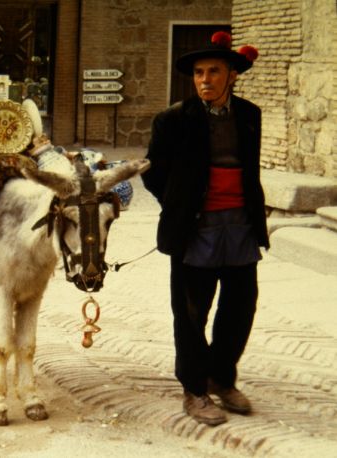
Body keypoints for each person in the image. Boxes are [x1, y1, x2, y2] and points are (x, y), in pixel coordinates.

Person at [141, 31, 269, 426]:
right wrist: (182, 207)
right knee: (192, 313)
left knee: (240, 307)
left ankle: (221, 377)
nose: (205, 80)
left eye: (214, 71)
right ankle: (195, 390)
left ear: (232, 75)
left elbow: (248, 170)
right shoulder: (173, 120)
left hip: (240, 227)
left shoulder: (249, 115)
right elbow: (153, 174)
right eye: (198, 73)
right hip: (195, 230)